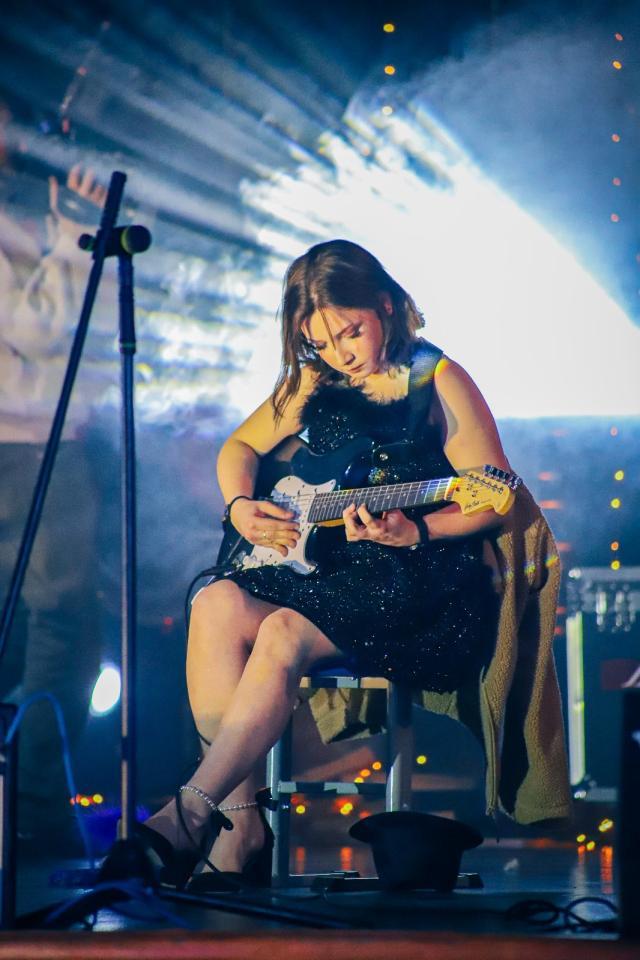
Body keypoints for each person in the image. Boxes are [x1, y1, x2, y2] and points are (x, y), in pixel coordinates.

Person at [137, 238, 515, 890]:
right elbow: (239, 448)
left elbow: (495, 497)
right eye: (324, 339)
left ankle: (190, 813)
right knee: (215, 603)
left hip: (418, 576)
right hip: (331, 567)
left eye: (352, 330)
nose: (342, 351)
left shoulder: (438, 378)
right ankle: (242, 823)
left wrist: (418, 527)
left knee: (281, 630)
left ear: (388, 306)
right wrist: (238, 507)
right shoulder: (314, 379)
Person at [0, 98, 110, 853]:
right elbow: (37, 332)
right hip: (26, 446)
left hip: (40, 440)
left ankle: (30, 809)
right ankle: (34, 812)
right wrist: (74, 232)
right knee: (61, 629)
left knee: (47, 630)